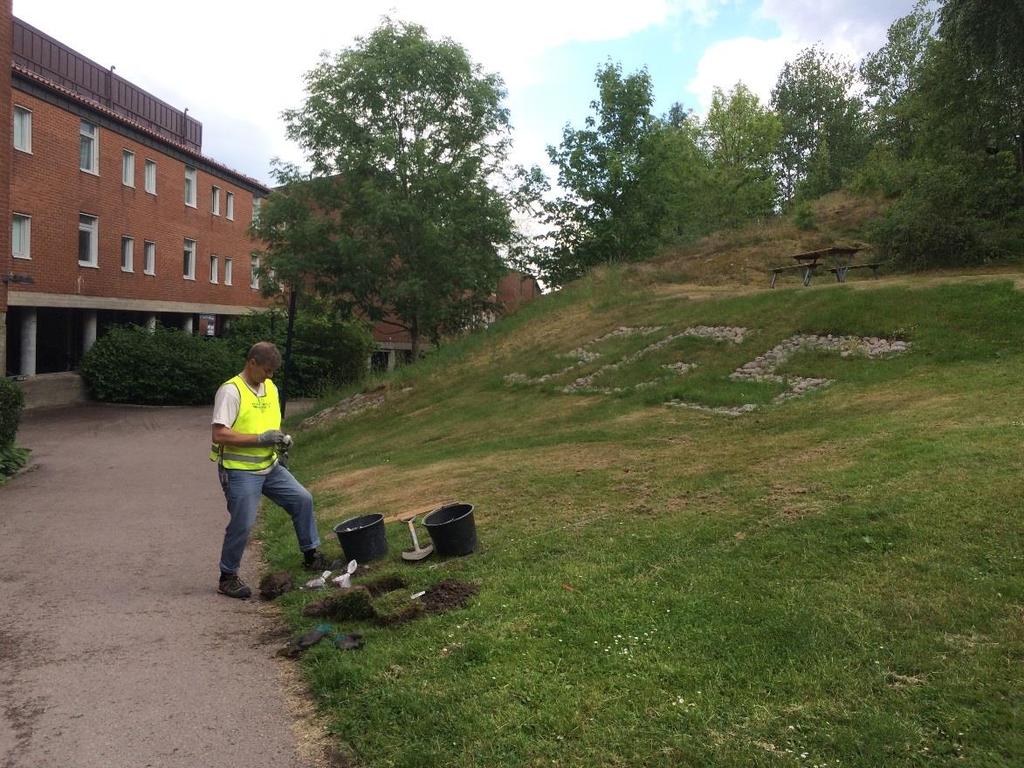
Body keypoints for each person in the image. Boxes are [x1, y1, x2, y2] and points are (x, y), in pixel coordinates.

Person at [209, 341, 330, 598]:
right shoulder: (231, 391)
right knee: (243, 522)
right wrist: (259, 439)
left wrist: (280, 443)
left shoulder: (270, 388)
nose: (269, 375)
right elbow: (219, 434)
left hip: (269, 466)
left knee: (303, 499)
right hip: (240, 470)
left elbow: (270, 426)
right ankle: (227, 576)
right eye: (266, 370)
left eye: (273, 371)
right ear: (252, 363)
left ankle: (311, 555)